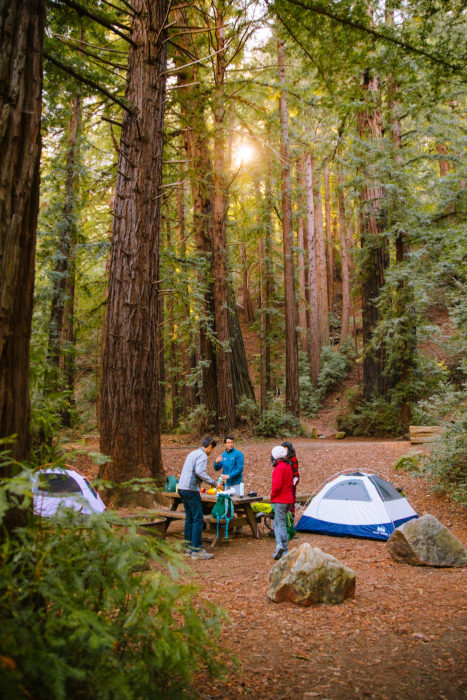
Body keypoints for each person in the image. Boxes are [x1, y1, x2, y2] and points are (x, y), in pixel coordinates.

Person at [178, 437, 219, 560]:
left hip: (182, 488)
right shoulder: (202, 455)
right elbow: (199, 472)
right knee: (198, 519)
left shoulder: (192, 453)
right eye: (212, 449)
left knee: (190, 518)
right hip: (191, 489)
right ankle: (197, 549)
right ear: (210, 447)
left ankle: (188, 548)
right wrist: (214, 483)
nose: (211, 453)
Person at [270, 445, 294, 560]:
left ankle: (282, 547)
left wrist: (272, 496)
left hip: (281, 500)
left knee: (280, 524)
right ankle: (279, 546)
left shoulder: (278, 469)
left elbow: (277, 486)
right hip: (289, 499)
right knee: (277, 523)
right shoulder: (288, 466)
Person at [282, 441, 299, 519]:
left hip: (292, 482)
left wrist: (293, 482)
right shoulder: (282, 458)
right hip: (284, 482)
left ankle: (291, 518)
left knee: (291, 500)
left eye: (286, 448)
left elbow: (295, 472)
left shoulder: (293, 458)